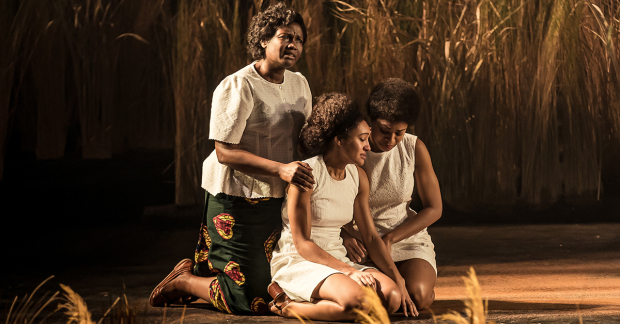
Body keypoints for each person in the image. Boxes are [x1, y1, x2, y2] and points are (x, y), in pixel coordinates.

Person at [148, 3, 314, 315]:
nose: (293, 45)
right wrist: (281, 169)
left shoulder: (299, 83)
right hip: (238, 194)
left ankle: (200, 276)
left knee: (276, 288)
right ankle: (184, 281)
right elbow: (224, 152)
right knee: (250, 299)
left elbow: (302, 139)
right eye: (285, 37)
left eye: (299, 40)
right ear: (264, 40)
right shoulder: (238, 85)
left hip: (279, 194)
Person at [268, 93, 417, 322]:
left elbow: (370, 236)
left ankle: (329, 298)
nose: (369, 146)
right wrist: (350, 272)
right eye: (363, 138)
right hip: (301, 260)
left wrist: (399, 280)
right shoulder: (306, 174)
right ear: (339, 139)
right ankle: (287, 306)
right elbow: (303, 244)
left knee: (393, 298)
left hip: (337, 257)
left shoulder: (358, 176)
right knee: (361, 305)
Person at [342, 78, 442, 311]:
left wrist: (391, 238)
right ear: (370, 121)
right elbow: (325, 200)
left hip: (403, 237)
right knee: (381, 302)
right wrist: (344, 235)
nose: (391, 140)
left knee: (419, 297)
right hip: (358, 241)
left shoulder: (413, 148)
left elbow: (434, 208)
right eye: (384, 131)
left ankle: (420, 287)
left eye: (400, 132)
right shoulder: (352, 147)